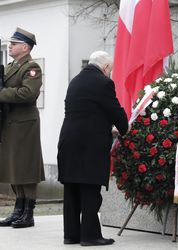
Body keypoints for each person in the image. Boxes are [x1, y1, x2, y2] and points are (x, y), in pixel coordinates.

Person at [57, 51, 129, 246]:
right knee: (90, 188)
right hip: (88, 144)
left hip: (68, 140)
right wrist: (124, 128)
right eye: (110, 70)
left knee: (71, 188)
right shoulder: (103, 83)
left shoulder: (75, 81)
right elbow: (114, 110)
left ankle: (71, 235)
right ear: (105, 68)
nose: (110, 74)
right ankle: (90, 236)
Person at [0, 27, 45, 228]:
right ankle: (18, 209)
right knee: (14, 167)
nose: (10, 46)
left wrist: (1, 93)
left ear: (25, 47)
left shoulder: (31, 67)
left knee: (26, 168)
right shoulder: (11, 67)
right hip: (10, 123)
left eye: (14, 43)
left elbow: (28, 93)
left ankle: (28, 212)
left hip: (25, 125)